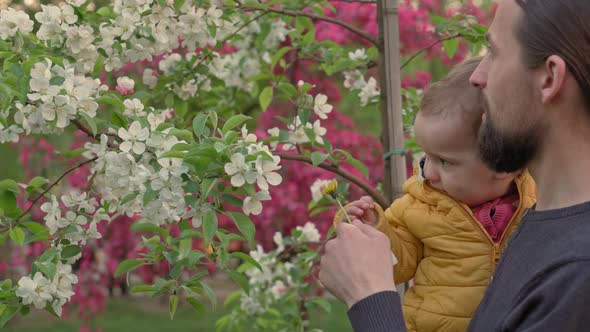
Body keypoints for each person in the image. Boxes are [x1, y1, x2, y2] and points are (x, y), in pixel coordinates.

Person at [319, 0, 590, 331]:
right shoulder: (549, 228)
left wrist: (370, 299)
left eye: (495, 52)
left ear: (549, 78)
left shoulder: (576, 277)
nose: (477, 76)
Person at [333, 57, 536, 332]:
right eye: (426, 156)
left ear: (504, 163)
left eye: (446, 161)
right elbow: (396, 266)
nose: (429, 172)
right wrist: (376, 231)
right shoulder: (418, 207)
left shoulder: (539, 200)